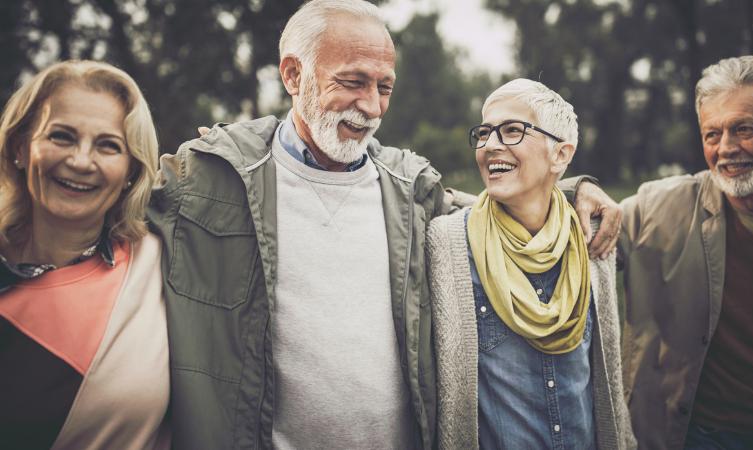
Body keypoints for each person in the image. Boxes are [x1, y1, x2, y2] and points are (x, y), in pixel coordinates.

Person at [147, 1, 621, 448]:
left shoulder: (412, 191)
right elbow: (115, 201)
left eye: (384, 87)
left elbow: (497, 206)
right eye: (353, 82)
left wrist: (570, 187)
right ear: (293, 74)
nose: (372, 106)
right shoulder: (214, 180)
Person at [620, 55, 753, 449]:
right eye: (712, 134)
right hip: (695, 436)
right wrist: (582, 188)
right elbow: (563, 223)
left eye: (744, 129)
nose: (727, 148)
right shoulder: (659, 208)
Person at [426, 79, 635, 449]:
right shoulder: (448, 242)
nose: (491, 145)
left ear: (561, 154)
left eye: (511, 131)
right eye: (485, 132)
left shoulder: (593, 239)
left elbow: (607, 385)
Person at [0, 60, 169, 449]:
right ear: (21, 148)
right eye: (61, 137)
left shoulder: (162, 262)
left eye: (108, 145)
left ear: (131, 169)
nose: (80, 161)